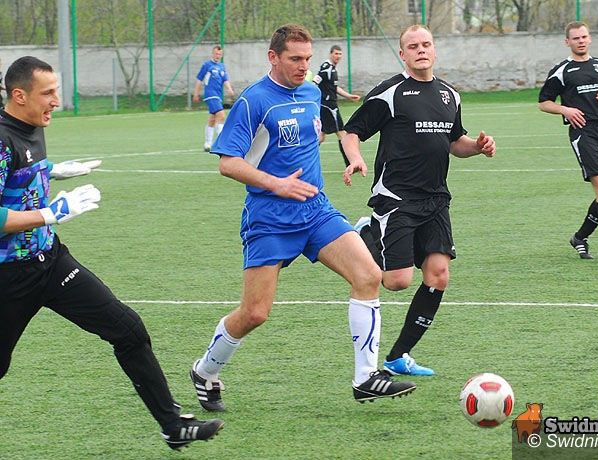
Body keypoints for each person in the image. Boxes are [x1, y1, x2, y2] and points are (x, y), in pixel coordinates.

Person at [188, 24, 416, 411]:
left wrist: (348, 159)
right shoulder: (254, 101)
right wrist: (276, 183)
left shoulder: (311, 91)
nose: (303, 66)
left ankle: (365, 378)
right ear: (273, 57)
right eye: (295, 58)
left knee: (368, 276)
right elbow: (228, 163)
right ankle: (205, 371)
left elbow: (313, 136)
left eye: (307, 58)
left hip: (316, 211)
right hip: (270, 219)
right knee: (255, 313)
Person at [0, 56, 224, 450]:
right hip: (9, 278)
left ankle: (173, 426)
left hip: (51, 262)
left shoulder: (32, 125)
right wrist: (51, 213)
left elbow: (22, 169)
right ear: (19, 96)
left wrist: (53, 170)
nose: (56, 101)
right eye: (48, 93)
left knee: (128, 330)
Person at [341, 25, 496, 377]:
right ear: (403, 54)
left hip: (436, 198)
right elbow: (351, 132)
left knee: (438, 276)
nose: (421, 50)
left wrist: (477, 147)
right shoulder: (390, 92)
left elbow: (454, 142)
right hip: (396, 198)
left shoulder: (449, 95)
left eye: (426, 44)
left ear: (434, 50)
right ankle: (367, 233)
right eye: (413, 46)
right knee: (396, 281)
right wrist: (355, 158)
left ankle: (399, 356)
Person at [538, 21, 598, 260]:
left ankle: (580, 237)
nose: (580, 41)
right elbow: (544, 102)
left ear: (589, 38)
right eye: (576, 38)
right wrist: (565, 110)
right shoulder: (562, 71)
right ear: (567, 42)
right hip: (584, 132)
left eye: (584, 37)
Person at [312, 45, 360, 167]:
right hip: (329, 106)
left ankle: (304, 158)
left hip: (328, 105)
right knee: (342, 134)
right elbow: (315, 82)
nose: (338, 56)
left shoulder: (332, 69)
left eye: (340, 54)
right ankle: (350, 164)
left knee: (321, 136)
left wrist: (348, 96)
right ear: (330, 54)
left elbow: (334, 87)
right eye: (336, 53)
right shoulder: (326, 68)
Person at [193, 45, 235, 152]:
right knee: (221, 115)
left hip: (218, 95)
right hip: (210, 94)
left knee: (212, 119)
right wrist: (196, 93)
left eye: (220, 54)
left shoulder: (222, 66)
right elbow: (199, 80)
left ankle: (208, 144)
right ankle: (222, 143)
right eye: (216, 54)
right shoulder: (207, 65)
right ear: (212, 54)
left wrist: (229, 89)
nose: (218, 56)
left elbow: (225, 80)